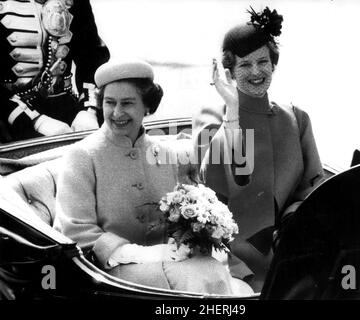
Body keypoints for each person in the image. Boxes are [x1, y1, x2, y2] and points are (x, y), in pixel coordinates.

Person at [54, 59, 253, 295]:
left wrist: (232, 108)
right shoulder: (82, 156)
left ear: (147, 107)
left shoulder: (164, 152)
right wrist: (144, 254)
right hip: (112, 273)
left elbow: (217, 163)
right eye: (109, 103)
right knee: (203, 276)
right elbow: (75, 231)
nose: (117, 113)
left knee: (220, 277)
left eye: (127, 103)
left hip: (170, 262)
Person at [193, 6, 325, 291]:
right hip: (232, 257)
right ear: (228, 72)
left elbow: (312, 187)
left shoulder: (296, 118)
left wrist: (292, 224)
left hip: (291, 246)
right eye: (244, 65)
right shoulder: (212, 118)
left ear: (274, 64)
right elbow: (210, 189)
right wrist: (234, 111)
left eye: (263, 62)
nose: (256, 72)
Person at [0, 0, 110, 143]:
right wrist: (35, 121)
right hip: (9, 118)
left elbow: (92, 58)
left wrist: (89, 110)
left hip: (68, 110)